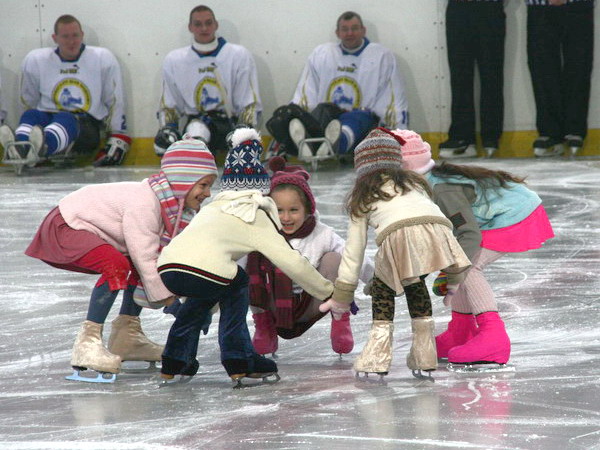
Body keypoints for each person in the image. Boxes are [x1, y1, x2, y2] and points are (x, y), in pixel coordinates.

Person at [24, 137, 218, 382]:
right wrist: (177, 308)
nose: (208, 193)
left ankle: (126, 336)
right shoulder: (145, 204)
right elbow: (148, 261)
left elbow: (169, 261)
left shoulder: (169, 208)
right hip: (68, 224)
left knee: (136, 263)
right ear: (183, 181)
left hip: (91, 228)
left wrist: (194, 300)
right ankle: (87, 344)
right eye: (203, 185)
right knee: (117, 264)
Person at [156, 127, 334, 386]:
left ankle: (175, 360)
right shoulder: (254, 213)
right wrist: (328, 290)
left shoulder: (212, 208)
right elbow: (291, 261)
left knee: (204, 295)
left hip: (169, 267)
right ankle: (239, 359)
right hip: (204, 270)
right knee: (237, 282)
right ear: (261, 191)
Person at [321, 128, 471, 379]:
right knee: (415, 283)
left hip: (400, 235)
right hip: (439, 230)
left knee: (382, 290)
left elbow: (353, 252)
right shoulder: (415, 183)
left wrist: (342, 295)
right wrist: (453, 280)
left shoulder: (364, 196)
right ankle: (424, 354)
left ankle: (377, 356)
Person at [397, 129, 554, 368]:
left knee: (467, 265)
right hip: (498, 217)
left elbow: (469, 234)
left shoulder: (441, 190)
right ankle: (461, 331)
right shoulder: (424, 187)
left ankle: (494, 337)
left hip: (517, 216)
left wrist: (455, 274)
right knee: (456, 260)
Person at [246, 156, 374, 357]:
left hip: (312, 303)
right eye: (279, 210)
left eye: (294, 210)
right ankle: (264, 326)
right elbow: (230, 262)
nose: (286, 217)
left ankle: (340, 319)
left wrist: (375, 279)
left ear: (308, 210)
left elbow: (352, 256)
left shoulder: (321, 234)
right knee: (250, 261)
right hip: (273, 307)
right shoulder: (263, 234)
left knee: (334, 259)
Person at [267, 11, 408, 160]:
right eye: (345, 29)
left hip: (362, 119)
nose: (350, 33)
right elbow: (306, 95)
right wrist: (295, 115)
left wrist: (398, 133)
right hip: (329, 116)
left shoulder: (381, 56)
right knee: (305, 113)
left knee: (356, 118)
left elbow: (393, 100)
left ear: (363, 30)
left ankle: (333, 145)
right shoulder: (322, 54)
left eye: (354, 28)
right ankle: (312, 144)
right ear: (337, 32)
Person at [0, 14, 130, 167]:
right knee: (31, 115)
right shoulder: (36, 60)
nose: (71, 41)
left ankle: (42, 147)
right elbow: (28, 101)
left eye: (75, 35)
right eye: (65, 36)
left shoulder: (102, 58)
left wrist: (118, 135)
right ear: (55, 38)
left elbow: (114, 101)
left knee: (65, 119)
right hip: (48, 118)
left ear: (82, 35)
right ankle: (21, 148)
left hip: (85, 127)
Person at [154, 4, 262, 157]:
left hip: (230, 124)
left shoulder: (239, 55)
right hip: (197, 124)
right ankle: (197, 160)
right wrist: (168, 129)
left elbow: (249, 101)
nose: (204, 28)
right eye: (198, 24)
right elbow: (169, 103)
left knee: (244, 147)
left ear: (216, 25)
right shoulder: (174, 60)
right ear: (190, 27)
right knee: (172, 143)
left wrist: (244, 129)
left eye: (208, 23)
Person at [526, 0, 594, 157]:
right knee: (542, 68)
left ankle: (574, 130)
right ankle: (549, 131)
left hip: (578, 6)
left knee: (579, 66)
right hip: (540, 6)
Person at [439, 0, 506, 159]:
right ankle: (463, 137)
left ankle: (491, 137)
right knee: (459, 76)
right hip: (459, 8)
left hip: (490, 7)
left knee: (491, 74)